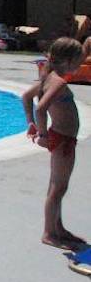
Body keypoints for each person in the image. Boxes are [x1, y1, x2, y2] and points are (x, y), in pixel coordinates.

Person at [21, 37, 87, 250]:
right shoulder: (58, 82)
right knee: (59, 188)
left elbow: (26, 97)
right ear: (68, 61)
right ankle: (49, 233)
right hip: (62, 141)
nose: (80, 66)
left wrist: (30, 123)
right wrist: (41, 134)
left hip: (61, 139)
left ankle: (58, 227)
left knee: (56, 185)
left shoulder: (49, 77)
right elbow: (41, 107)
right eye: (78, 62)